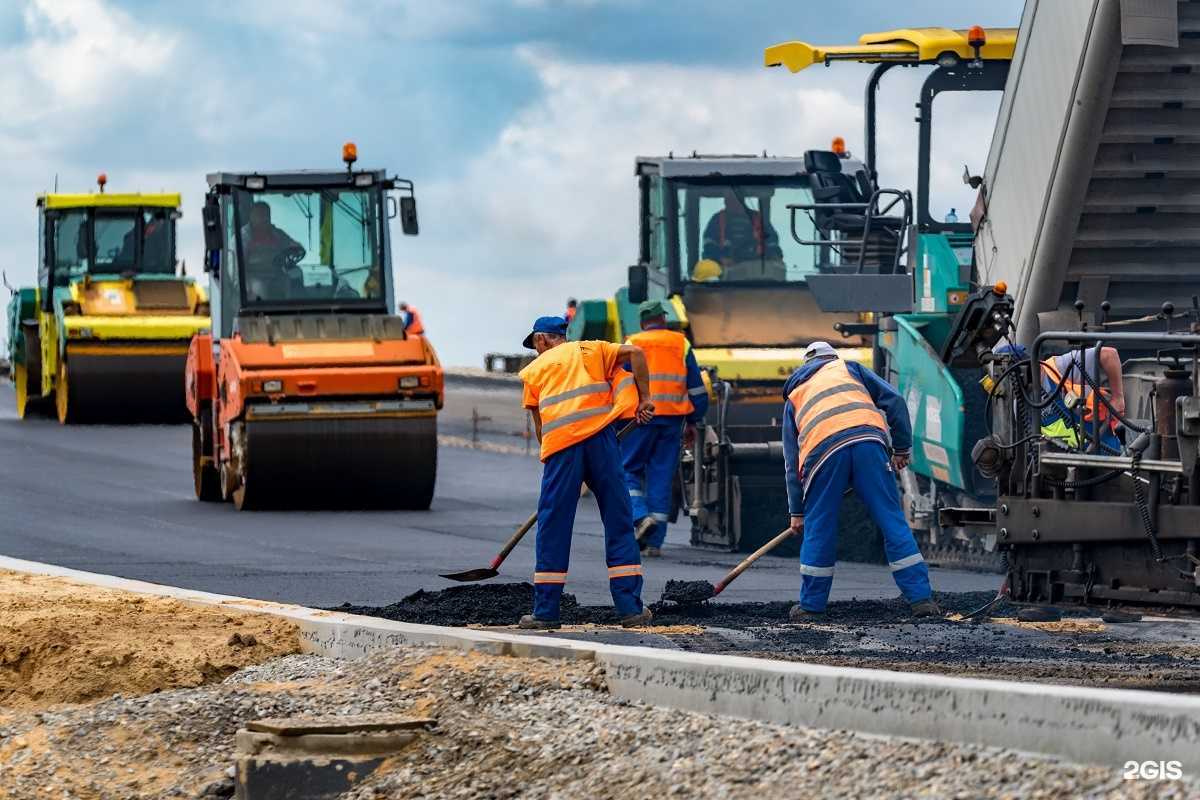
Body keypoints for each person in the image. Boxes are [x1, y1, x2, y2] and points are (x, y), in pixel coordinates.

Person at [517, 316, 656, 630]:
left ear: (541, 340)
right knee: (619, 521)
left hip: (562, 449)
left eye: (535, 345)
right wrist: (645, 398)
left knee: (553, 525)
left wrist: (562, 470)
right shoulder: (593, 350)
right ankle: (631, 610)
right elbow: (636, 353)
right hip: (602, 441)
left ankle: (546, 612)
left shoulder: (534, 371)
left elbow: (541, 430)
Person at [782, 341, 938, 619]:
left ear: (806, 366)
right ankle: (921, 600)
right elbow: (896, 402)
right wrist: (901, 448)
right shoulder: (850, 369)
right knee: (892, 521)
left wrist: (797, 511)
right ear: (832, 358)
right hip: (868, 444)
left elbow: (792, 463)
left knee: (819, 527)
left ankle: (811, 606)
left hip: (822, 455)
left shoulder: (795, 394)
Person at [620, 300, 709, 557]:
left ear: (642, 321)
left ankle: (640, 517)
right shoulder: (681, 343)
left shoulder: (631, 342)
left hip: (638, 420)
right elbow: (696, 389)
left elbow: (620, 384)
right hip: (672, 421)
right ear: (663, 318)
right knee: (660, 478)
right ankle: (654, 544)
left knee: (626, 470)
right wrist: (694, 420)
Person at [701, 189, 783, 266]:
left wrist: (774, 255)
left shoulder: (758, 218)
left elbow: (772, 241)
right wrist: (719, 259)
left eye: (732, 198)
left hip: (757, 271)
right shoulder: (717, 219)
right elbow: (709, 245)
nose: (727, 201)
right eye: (727, 198)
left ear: (741, 200)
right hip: (725, 275)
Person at [241, 202, 304, 296]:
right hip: (253, 276)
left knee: (296, 274)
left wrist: (296, 248)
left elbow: (291, 244)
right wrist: (240, 284)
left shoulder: (276, 234)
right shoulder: (243, 237)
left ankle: (295, 307)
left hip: (275, 273)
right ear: (252, 216)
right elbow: (236, 266)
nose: (264, 218)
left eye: (266, 215)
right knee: (260, 287)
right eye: (260, 215)